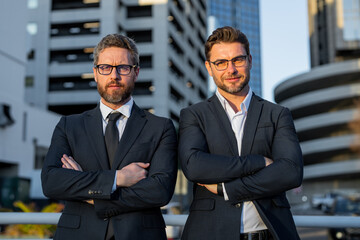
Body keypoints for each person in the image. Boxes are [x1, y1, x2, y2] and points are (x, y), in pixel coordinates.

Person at [41, 34, 178, 240]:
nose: (114, 75)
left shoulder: (161, 127)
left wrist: (88, 191)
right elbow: (52, 182)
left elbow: (159, 191)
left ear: (136, 72)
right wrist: (119, 179)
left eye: (123, 68)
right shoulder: (69, 125)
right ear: (96, 73)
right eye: (105, 67)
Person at [178, 26, 303, 240]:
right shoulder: (193, 115)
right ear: (209, 67)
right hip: (211, 233)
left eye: (238, 60)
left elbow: (290, 171)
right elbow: (195, 166)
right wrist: (258, 162)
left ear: (250, 60)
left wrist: (228, 189)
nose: (231, 70)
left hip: (271, 233)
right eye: (221, 63)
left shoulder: (277, 114)